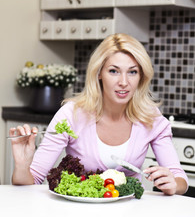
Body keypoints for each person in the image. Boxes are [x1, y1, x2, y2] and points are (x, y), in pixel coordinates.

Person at [10, 33, 188, 196]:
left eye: (132, 72)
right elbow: (32, 181)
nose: (124, 82)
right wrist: (22, 166)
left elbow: (181, 180)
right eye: (113, 71)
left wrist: (173, 183)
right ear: (99, 73)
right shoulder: (72, 114)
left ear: (141, 76)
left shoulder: (150, 118)